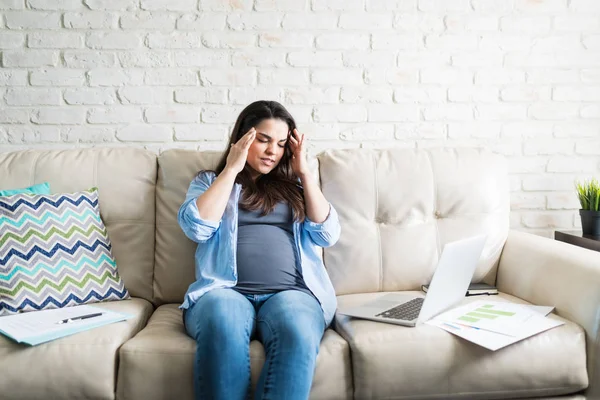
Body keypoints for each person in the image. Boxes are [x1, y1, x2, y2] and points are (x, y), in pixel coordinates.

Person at [177, 100, 341, 400]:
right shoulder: (209, 181)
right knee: (223, 324)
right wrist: (232, 168)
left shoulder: (297, 188)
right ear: (242, 139)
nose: (271, 151)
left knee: (298, 332)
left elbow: (327, 234)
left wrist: (305, 173)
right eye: (263, 140)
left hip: (292, 294)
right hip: (224, 291)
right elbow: (197, 228)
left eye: (280, 144)